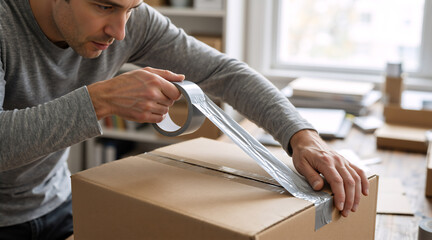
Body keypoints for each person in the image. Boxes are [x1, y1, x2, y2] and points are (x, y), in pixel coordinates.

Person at [0, 0, 369, 239]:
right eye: (104, 6)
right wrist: (100, 100)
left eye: (132, 8)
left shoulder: (129, 19)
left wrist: (302, 136)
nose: (121, 31)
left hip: (58, 203)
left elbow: (223, 72)